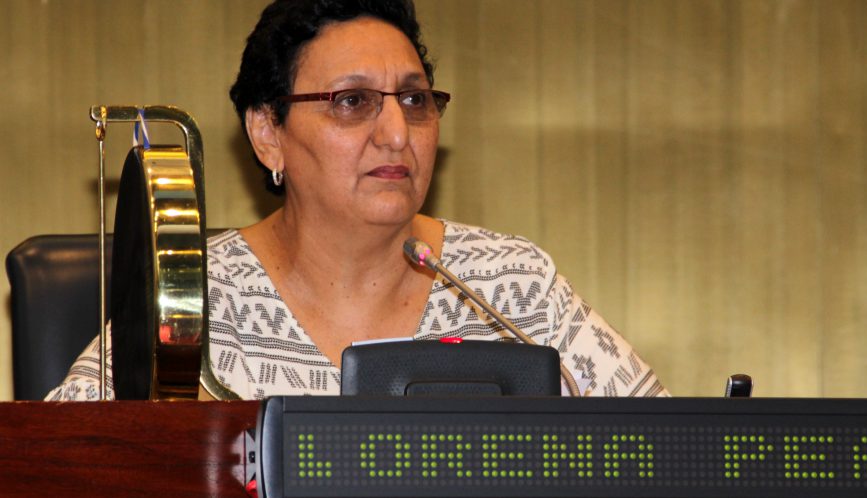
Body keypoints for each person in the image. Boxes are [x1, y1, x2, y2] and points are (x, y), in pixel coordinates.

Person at [47, 0, 668, 401]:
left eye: (415, 100)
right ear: (267, 133)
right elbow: (57, 464)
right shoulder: (198, 301)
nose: (397, 133)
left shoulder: (513, 288)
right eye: (352, 101)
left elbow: (667, 453)